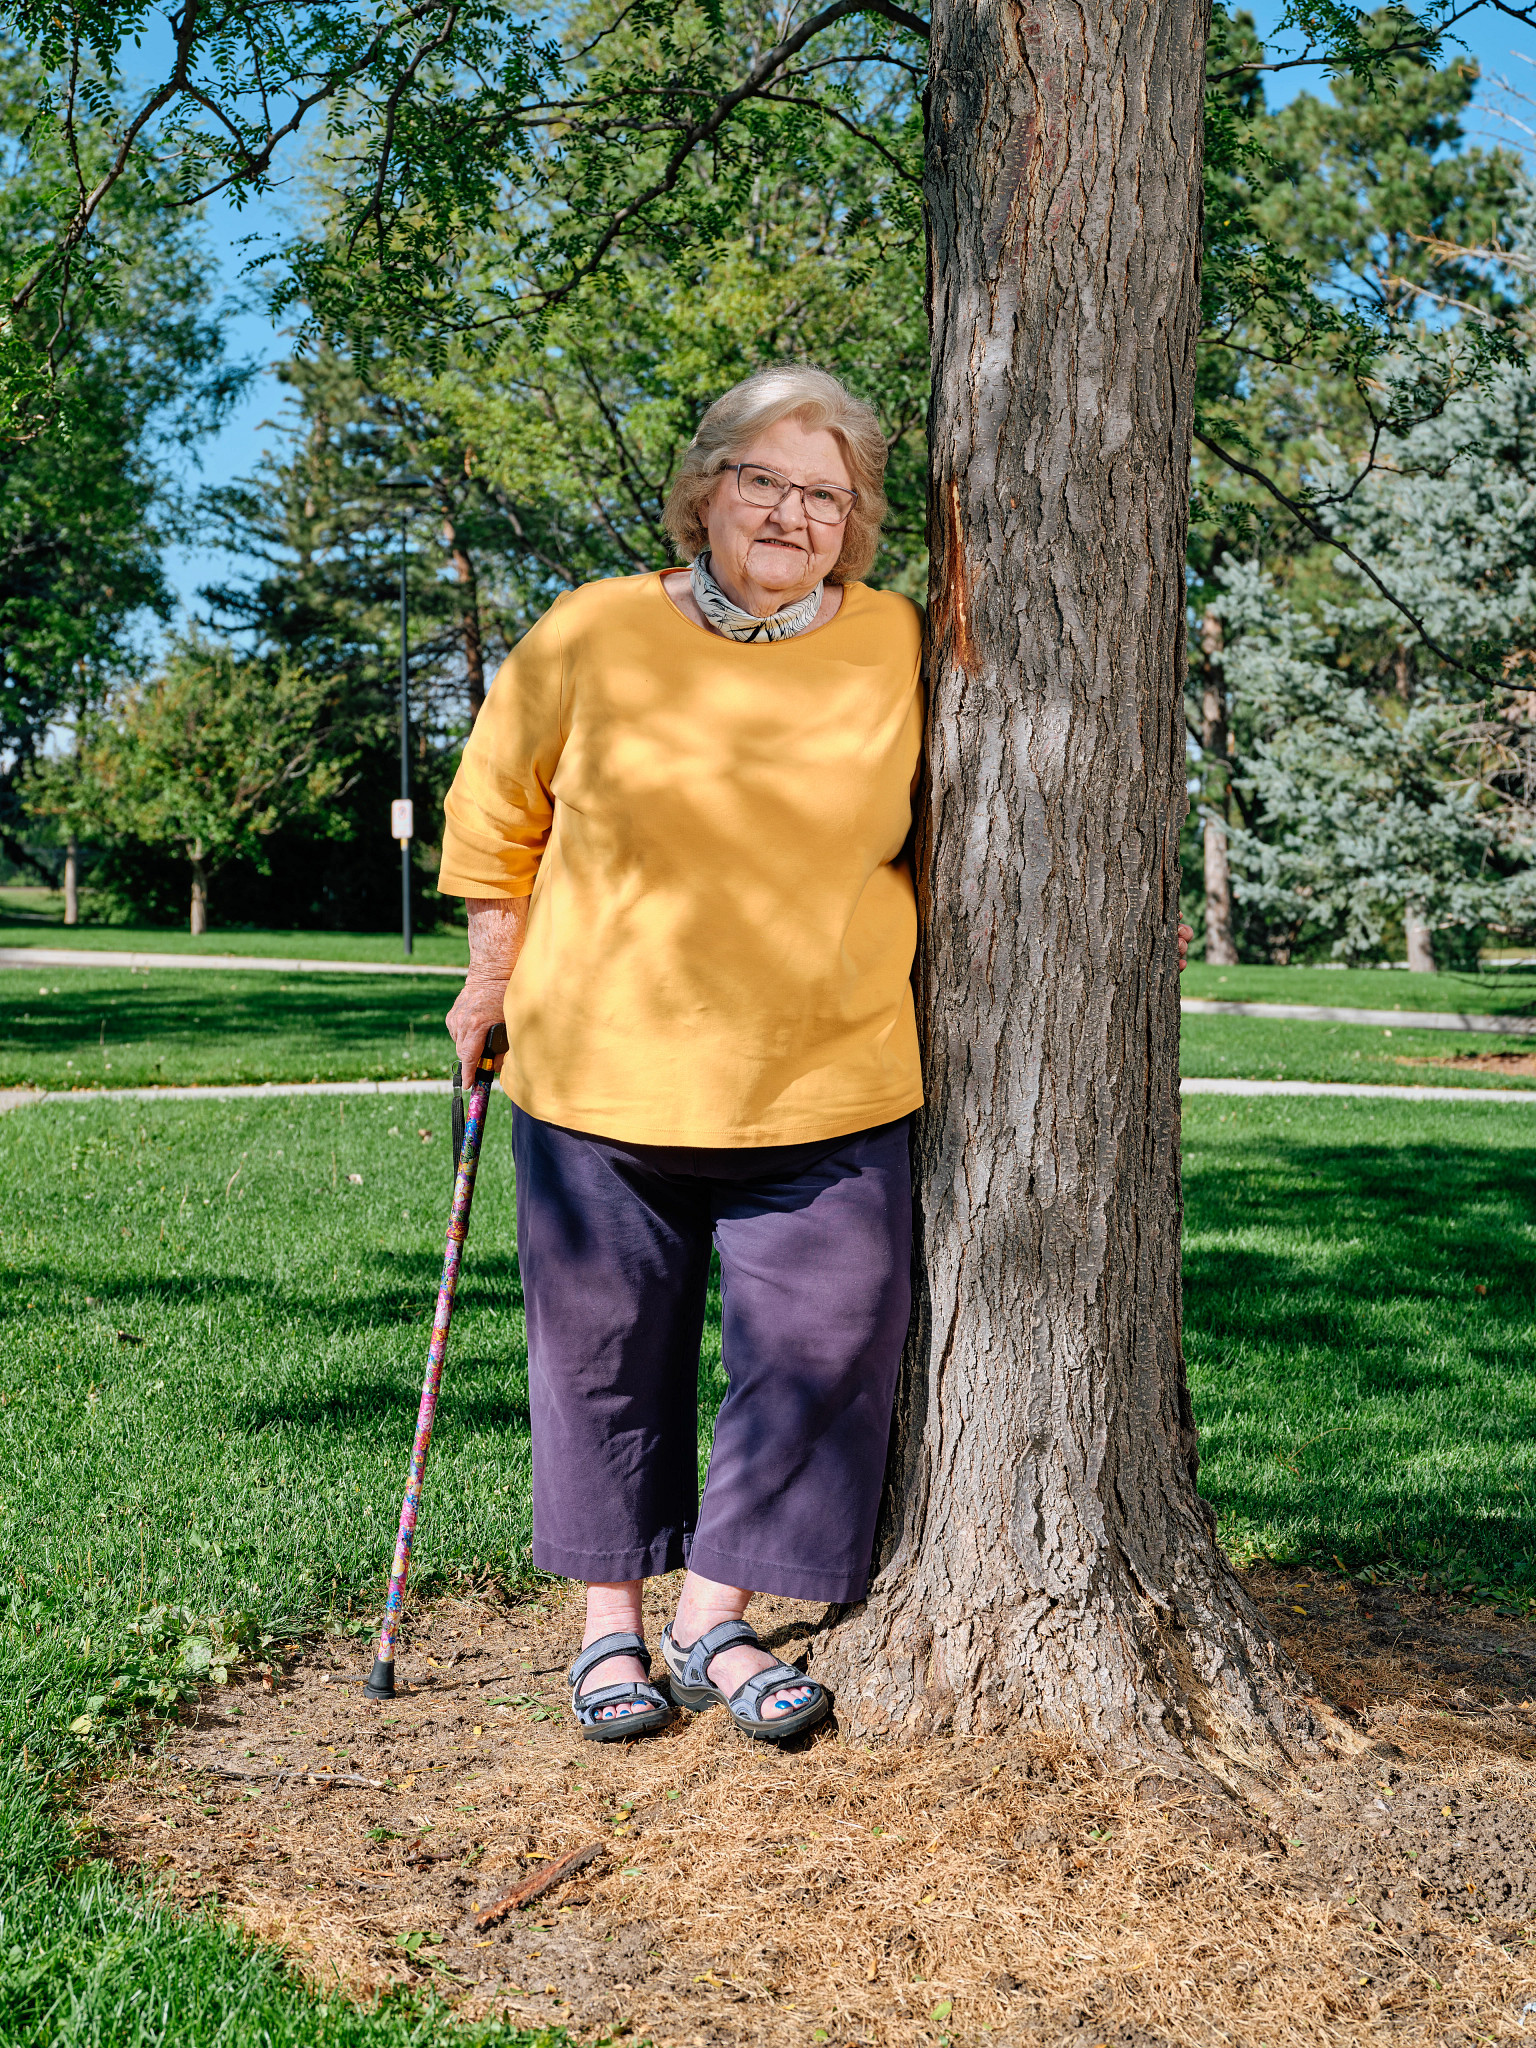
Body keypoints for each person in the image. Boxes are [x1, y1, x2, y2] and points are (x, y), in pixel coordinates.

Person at [439, 364, 1191, 1745]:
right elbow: (499, 815)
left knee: (829, 1343)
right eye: (762, 480)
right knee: (603, 1353)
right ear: (704, 492)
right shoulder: (593, 632)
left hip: (828, 1075)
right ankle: (611, 1630)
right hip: (601, 1068)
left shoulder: (899, 642)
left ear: (857, 525)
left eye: (825, 495)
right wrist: (492, 975)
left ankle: (717, 1614)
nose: (791, 512)